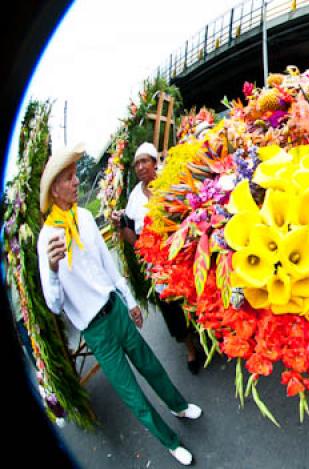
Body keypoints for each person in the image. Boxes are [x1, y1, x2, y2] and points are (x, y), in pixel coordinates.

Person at [37, 143, 201, 465]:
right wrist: (54, 270)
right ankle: (169, 441)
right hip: (96, 331)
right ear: (55, 188)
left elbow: (107, 266)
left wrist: (129, 299)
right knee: (131, 393)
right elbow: (54, 306)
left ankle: (178, 405)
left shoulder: (84, 217)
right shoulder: (47, 239)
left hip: (115, 310)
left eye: (74, 176)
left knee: (150, 365)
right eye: (70, 178)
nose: (76, 182)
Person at [111, 142, 202, 374]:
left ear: (154, 162)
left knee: (198, 295)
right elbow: (133, 237)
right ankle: (190, 349)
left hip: (184, 251)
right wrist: (121, 228)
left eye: (144, 161)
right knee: (171, 307)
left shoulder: (170, 180)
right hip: (158, 263)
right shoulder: (133, 199)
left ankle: (209, 333)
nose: (140, 167)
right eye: (136, 164)